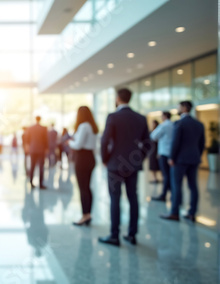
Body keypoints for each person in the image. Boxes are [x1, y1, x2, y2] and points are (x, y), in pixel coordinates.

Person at [99, 88, 150, 247]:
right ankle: (132, 234)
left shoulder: (113, 117)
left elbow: (104, 141)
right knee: (133, 197)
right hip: (132, 165)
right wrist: (139, 157)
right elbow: (148, 143)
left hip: (115, 164)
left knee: (115, 198)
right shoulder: (140, 118)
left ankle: (115, 235)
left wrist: (105, 159)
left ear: (118, 98)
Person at [161, 101, 205, 223]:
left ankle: (174, 212)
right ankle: (192, 213)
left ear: (184, 108)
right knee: (193, 187)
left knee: (176, 186)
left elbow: (175, 143)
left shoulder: (179, 123)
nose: (177, 109)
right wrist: (197, 156)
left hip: (179, 160)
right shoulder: (199, 124)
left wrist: (171, 157)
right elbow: (201, 144)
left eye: (179, 107)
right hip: (194, 159)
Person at [69, 107, 98, 226]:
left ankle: (85, 215)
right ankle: (88, 214)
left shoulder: (83, 126)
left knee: (83, 188)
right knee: (87, 187)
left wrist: (69, 143)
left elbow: (78, 145)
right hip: (90, 157)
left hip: (82, 158)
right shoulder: (92, 126)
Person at [150, 111, 174, 201]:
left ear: (164, 116)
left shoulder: (163, 126)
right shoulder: (173, 125)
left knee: (165, 175)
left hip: (164, 153)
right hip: (172, 153)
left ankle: (164, 194)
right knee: (170, 175)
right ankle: (172, 194)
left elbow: (153, 136)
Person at [28, 116, 48, 189]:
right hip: (41, 150)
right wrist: (46, 149)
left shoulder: (30, 128)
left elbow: (27, 139)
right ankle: (41, 184)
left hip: (32, 149)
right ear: (40, 119)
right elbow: (46, 140)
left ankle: (31, 182)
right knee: (41, 167)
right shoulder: (43, 128)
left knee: (32, 166)